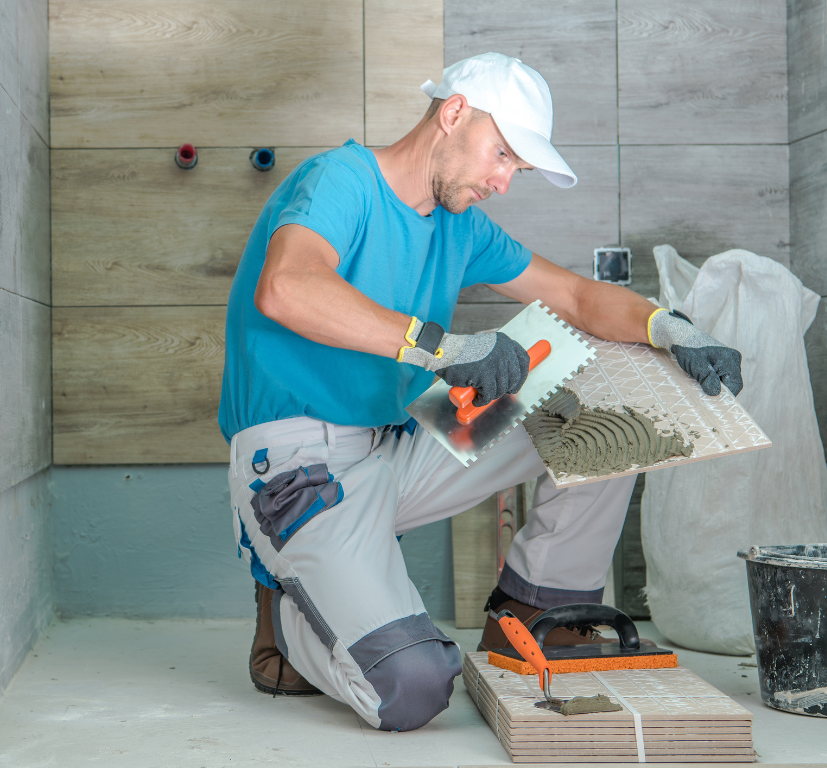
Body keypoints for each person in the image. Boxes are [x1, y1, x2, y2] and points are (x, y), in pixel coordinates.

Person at [217, 52, 743, 732]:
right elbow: (288, 288)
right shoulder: (338, 181)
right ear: (453, 113)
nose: (502, 181)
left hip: (397, 446)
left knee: (599, 373)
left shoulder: (459, 223)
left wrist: (665, 327)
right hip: (299, 469)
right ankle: (286, 623)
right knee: (413, 687)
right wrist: (450, 349)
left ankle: (534, 609)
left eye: (515, 170)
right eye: (502, 156)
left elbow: (577, 297)